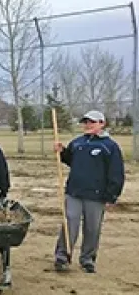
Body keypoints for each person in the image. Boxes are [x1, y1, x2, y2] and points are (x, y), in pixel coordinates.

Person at [53, 110, 125, 274]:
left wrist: (112, 196)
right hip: (74, 193)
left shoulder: (110, 147)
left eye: (92, 122)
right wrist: (62, 151)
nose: (87, 125)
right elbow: (71, 160)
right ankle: (62, 257)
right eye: (85, 122)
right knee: (69, 224)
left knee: (92, 228)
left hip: (96, 195)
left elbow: (116, 173)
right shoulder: (78, 143)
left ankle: (87, 259)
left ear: (101, 124)